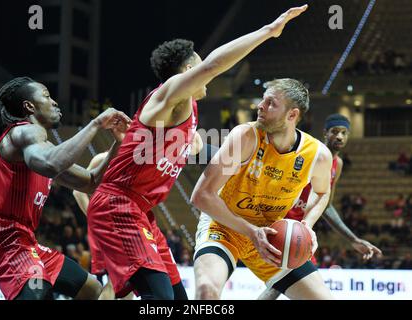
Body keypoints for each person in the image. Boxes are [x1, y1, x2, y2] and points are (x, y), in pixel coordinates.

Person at [87, 4, 310, 300]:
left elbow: (203, 149)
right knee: (160, 301)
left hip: (141, 212)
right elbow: (213, 67)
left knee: (178, 301)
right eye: (201, 64)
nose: (209, 72)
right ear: (190, 70)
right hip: (119, 205)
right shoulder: (170, 94)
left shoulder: (186, 112)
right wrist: (269, 31)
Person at [0, 77, 130, 300]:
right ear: (29, 106)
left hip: (25, 239)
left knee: (92, 290)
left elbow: (90, 180)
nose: (55, 102)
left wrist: (118, 145)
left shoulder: (42, 147)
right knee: (38, 292)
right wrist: (95, 124)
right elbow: (52, 163)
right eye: (46, 96)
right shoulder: (23, 132)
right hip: (3, 235)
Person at [191, 77, 334, 300]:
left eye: (271, 103)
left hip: (272, 235)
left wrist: (307, 224)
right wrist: (250, 232)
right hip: (225, 225)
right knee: (206, 292)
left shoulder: (318, 155)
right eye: (263, 100)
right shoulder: (245, 136)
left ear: (292, 115)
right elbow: (201, 196)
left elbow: (322, 192)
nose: (260, 106)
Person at [258, 114, 382, 300]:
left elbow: (326, 206)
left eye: (344, 133)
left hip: (301, 232)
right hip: (282, 225)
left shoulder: (337, 164)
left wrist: (354, 239)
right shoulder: (311, 152)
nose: (339, 136)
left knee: (284, 285)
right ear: (325, 133)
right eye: (335, 132)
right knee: (294, 285)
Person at [73, 152, 115, 300]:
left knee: (127, 282)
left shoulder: (134, 158)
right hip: (106, 228)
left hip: (125, 227)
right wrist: (96, 218)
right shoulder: (102, 159)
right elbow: (78, 191)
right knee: (115, 282)